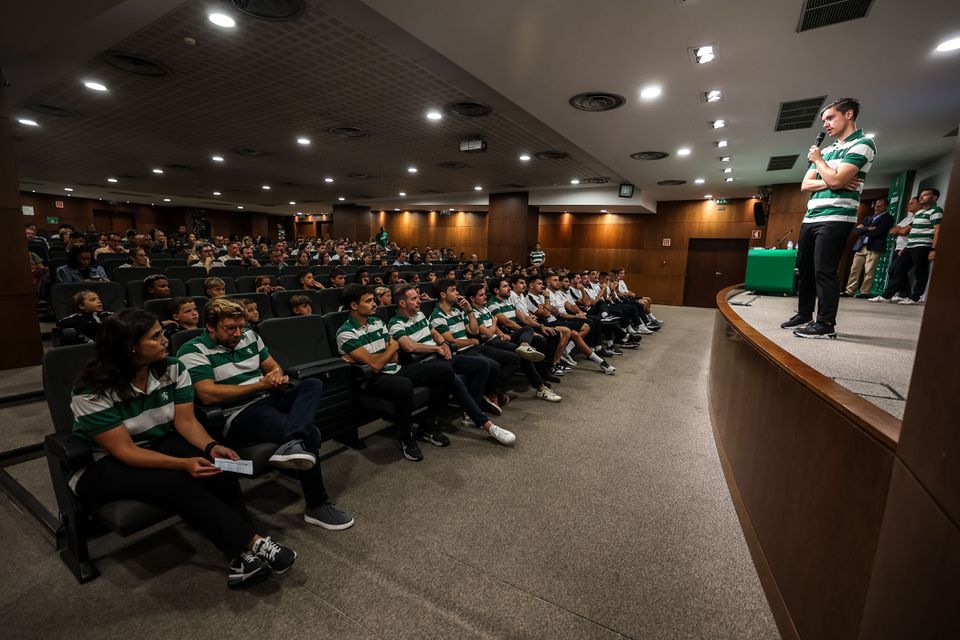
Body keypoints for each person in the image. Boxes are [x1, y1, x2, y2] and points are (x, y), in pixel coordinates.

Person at [71, 309, 297, 588]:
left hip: (157, 442)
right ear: (130, 347)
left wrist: (212, 446)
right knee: (178, 482)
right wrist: (183, 464)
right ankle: (253, 543)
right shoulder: (91, 391)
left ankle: (241, 557)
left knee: (221, 467)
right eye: (155, 336)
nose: (165, 339)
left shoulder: (172, 367)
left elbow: (186, 422)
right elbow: (125, 451)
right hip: (103, 463)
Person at [178, 299, 353, 530]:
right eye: (231, 328)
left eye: (241, 326)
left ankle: (291, 441)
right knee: (309, 433)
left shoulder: (249, 335)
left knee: (311, 384)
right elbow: (208, 394)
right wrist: (260, 386)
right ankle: (317, 506)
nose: (238, 333)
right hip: (239, 413)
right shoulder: (192, 350)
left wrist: (276, 377)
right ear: (210, 326)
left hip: (268, 397)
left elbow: (273, 366)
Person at [783, 97, 876, 339]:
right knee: (804, 268)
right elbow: (806, 184)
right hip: (812, 216)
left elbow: (836, 180)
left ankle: (825, 324)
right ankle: (804, 313)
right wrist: (833, 179)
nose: (826, 124)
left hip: (836, 217)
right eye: (824, 120)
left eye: (830, 118)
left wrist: (819, 163)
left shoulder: (863, 144)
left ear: (849, 114)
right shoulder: (829, 149)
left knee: (824, 269)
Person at [336, 284, 455, 461]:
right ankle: (406, 439)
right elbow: (375, 366)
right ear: (354, 306)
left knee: (444, 371)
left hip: (395, 370)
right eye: (368, 301)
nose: (374, 304)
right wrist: (388, 349)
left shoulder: (377, 321)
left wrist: (383, 352)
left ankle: (428, 427)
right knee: (403, 385)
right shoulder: (345, 333)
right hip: (372, 379)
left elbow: (394, 357)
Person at [389, 284, 516, 445]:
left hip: (441, 356)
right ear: (402, 303)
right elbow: (410, 346)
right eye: (414, 299)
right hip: (425, 363)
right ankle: (487, 425)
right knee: (452, 377)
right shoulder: (395, 323)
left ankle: (472, 410)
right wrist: (436, 347)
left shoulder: (420, 314)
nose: (419, 301)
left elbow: (434, 332)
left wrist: (442, 343)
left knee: (482, 365)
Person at [872, 188, 943, 305]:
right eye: (921, 195)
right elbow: (910, 229)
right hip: (910, 246)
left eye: (925, 195)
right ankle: (886, 296)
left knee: (920, 273)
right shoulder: (919, 213)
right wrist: (905, 247)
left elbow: (938, 231)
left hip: (923, 246)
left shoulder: (936, 211)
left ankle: (915, 297)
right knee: (897, 269)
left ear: (934, 198)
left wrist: (933, 249)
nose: (921, 197)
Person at [842, 197, 894, 297]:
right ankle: (849, 291)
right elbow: (856, 231)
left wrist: (864, 230)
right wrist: (868, 228)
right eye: (876, 206)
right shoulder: (868, 217)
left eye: (880, 206)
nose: (876, 208)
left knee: (869, 271)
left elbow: (879, 232)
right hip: (861, 246)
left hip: (874, 247)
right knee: (854, 269)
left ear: (886, 207)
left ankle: (865, 292)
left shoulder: (888, 218)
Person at [883, 196, 921, 300]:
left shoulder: (918, 217)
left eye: (912, 203)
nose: (908, 205)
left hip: (907, 248)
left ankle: (887, 295)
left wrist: (900, 229)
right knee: (896, 271)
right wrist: (900, 229)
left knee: (896, 271)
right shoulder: (907, 218)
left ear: (919, 204)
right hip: (898, 248)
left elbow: (904, 231)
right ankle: (904, 294)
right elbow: (892, 231)